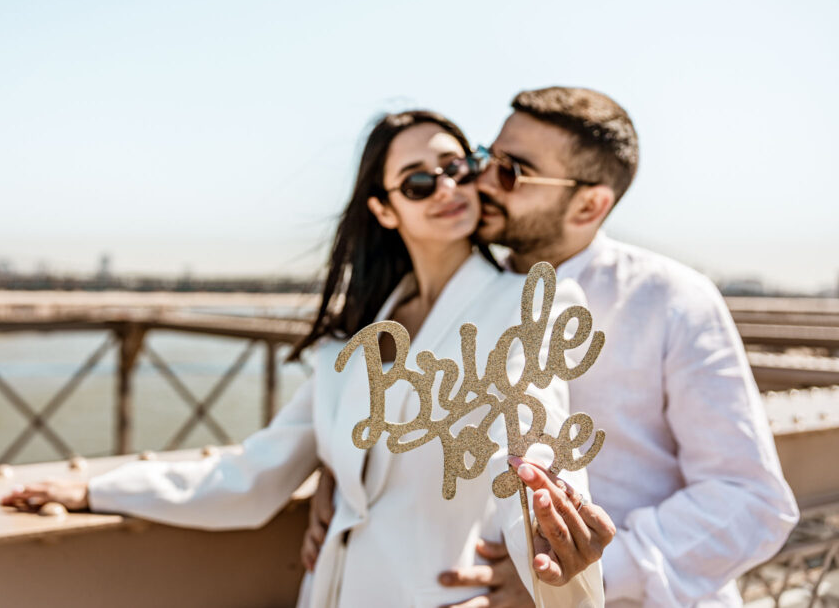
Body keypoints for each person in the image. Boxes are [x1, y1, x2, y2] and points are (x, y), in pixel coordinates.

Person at [0, 109, 605, 607]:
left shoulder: (527, 306)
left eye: (455, 167)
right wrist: (101, 490)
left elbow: (537, 456)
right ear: (385, 210)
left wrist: (552, 572)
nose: (445, 187)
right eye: (418, 181)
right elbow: (255, 474)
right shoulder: (351, 340)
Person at [302, 87, 799, 607]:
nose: (482, 182)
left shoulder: (671, 300)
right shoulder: (468, 300)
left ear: (589, 204)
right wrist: (340, 461)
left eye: (512, 171)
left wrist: (577, 574)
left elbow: (752, 501)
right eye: (486, 159)